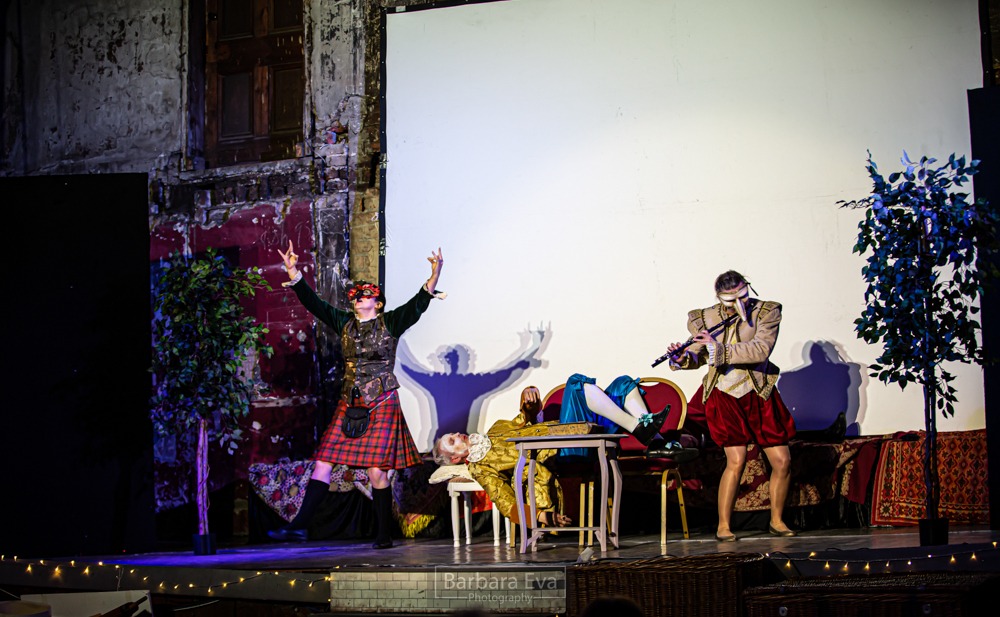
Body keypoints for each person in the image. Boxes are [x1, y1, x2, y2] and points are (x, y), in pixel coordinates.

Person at [267, 240, 445, 548]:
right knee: (323, 462)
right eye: (357, 294)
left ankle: (383, 534)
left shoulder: (390, 322)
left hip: (382, 401)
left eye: (366, 294)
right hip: (350, 402)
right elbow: (315, 304)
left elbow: (417, 304)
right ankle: (298, 526)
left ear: (378, 303)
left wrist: (435, 275)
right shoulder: (344, 323)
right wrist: (294, 273)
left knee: (376, 472)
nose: (360, 296)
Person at [665, 270, 797, 542]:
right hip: (724, 393)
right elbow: (698, 356)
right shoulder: (704, 318)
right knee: (735, 461)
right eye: (730, 300)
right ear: (719, 297)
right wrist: (681, 357)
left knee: (782, 460)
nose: (739, 303)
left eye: (743, 295)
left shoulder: (766, 312)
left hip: (758, 391)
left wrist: (717, 348)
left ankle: (777, 520)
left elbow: (760, 349)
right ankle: (723, 526)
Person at [432, 377, 666, 527]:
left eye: (453, 434)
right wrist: (542, 516)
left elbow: (527, 417)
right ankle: (644, 431)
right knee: (575, 382)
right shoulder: (481, 467)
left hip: (576, 433)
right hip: (564, 454)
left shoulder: (496, 429)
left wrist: (529, 397)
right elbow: (505, 501)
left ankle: (655, 440)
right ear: (456, 458)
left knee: (623, 383)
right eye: (452, 440)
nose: (458, 435)